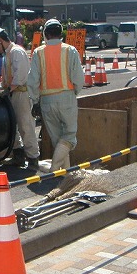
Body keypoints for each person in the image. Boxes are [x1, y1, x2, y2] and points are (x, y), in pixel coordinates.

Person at [27, 18, 85, 171]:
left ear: (45, 34)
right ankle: (54, 170)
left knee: (57, 139)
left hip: (46, 100)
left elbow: (32, 81)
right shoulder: (70, 50)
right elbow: (78, 77)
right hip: (67, 97)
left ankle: (66, 174)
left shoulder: (38, 52)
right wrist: (75, 92)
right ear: (61, 33)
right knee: (69, 138)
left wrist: (35, 100)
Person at [0, 26, 40, 170]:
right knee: (12, 127)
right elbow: (5, 79)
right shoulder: (7, 55)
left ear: (0, 40)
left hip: (21, 94)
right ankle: (18, 155)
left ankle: (33, 159)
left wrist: (8, 89)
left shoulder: (17, 52)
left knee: (25, 126)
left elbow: (20, 77)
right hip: (12, 94)